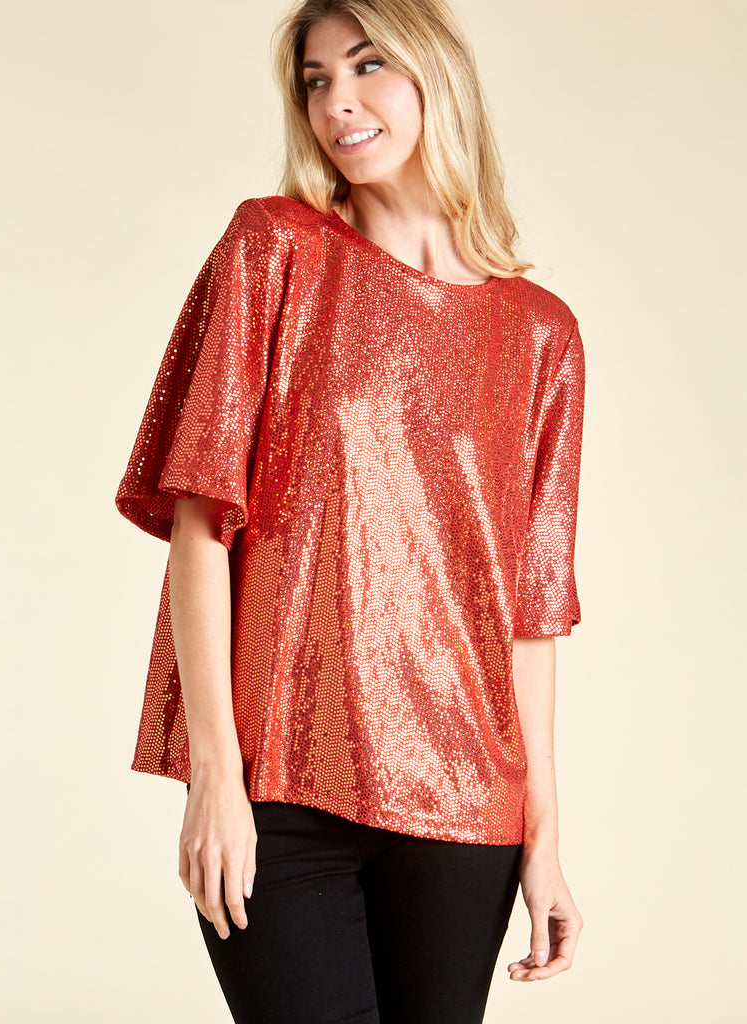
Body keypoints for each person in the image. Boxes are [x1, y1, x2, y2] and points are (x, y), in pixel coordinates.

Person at [114, 0, 586, 1020]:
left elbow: (530, 611)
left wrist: (545, 841)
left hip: (468, 804)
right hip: (282, 784)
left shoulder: (541, 334)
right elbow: (201, 525)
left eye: (367, 66)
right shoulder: (274, 250)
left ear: (435, 77)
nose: (338, 102)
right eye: (316, 80)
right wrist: (216, 777)